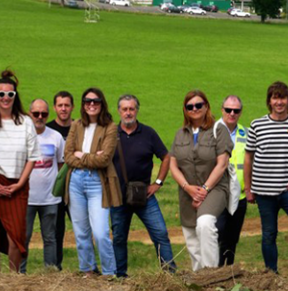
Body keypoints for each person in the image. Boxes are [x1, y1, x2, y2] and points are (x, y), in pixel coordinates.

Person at [244, 81, 288, 285]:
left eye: (283, 98)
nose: (279, 102)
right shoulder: (257, 125)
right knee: (269, 235)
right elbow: (248, 158)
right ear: (269, 101)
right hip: (264, 192)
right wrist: (248, 188)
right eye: (275, 98)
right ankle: (272, 277)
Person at [0, 70, 40, 273]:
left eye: (10, 94)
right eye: (1, 94)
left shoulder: (26, 122)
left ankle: (13, 279)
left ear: (15, 96)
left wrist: (20, 183)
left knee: (16, 236)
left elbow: (32, 157)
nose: (5, 98)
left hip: (17, 184)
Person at [111, 94, 177, 278]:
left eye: (131, 108)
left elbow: (166, 157)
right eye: (124, 109)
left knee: (160, 233)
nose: (128, 112)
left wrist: (158, 182)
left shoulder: (148, 133)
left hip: (144, 196)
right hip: (118, 196)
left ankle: (170, 274)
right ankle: (120, 276)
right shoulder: (110, 134)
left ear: (137, 110)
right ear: (119, 111)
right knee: (118, 238)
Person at [169, 90, 232, 271]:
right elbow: (173, 166)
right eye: (190, 106)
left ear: (206, 107)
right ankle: (199, 279)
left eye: (199, 105)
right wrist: (187, 187)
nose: (194, 109)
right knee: (191, 235)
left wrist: (204, 189)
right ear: (185, 110)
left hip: (215, 189)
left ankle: (211, 274)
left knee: (205, 224)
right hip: (187, 191)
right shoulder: (180, 134)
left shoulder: (218, 130)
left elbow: (222, 164)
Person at [64, 88, 121, 276]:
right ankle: (87, 269)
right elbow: (67, 156)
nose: (91, 104)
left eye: (95, 101)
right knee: (81, 232)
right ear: (83, 104)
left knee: (101, 232)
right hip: (76, 181)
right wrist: (90, 157)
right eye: (87, 101)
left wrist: (81, 155)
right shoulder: (76, 125)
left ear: (102, 104)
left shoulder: (110, 127)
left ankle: (109, 272)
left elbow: (104, 159)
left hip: (99, 182)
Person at [20, 99, 65, 274]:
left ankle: (50, 274)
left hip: (50, 198)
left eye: (44, 114)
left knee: (50, 238)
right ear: (29, 114)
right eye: (36, 113)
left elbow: (61, 164)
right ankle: (20, 275)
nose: (40, 117)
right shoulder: (22, 136)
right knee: (23, 237)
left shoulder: (55, 137)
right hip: (26, 198)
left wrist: (58, 189)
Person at [214, 95, 248, 266]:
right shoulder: (212, 131)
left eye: (236, 110)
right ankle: (214, 271)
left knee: (232, 238)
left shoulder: (246, 133)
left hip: (240, 196)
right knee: (218, 234)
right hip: (218, 194)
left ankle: (228, 273)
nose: (232, 113)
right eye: (228, 110)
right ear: (222, 110)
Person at [47, 91, 74, 270]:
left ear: (72, 107)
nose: (63, 109)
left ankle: (89, 266)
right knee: (56, 229)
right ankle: (55, 266)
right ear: (55, 107)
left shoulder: (79, 127)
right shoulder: (48, 130)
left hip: (76, 187)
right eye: (60, 105)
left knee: (82, 227)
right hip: (55, 188)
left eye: (67, 105)